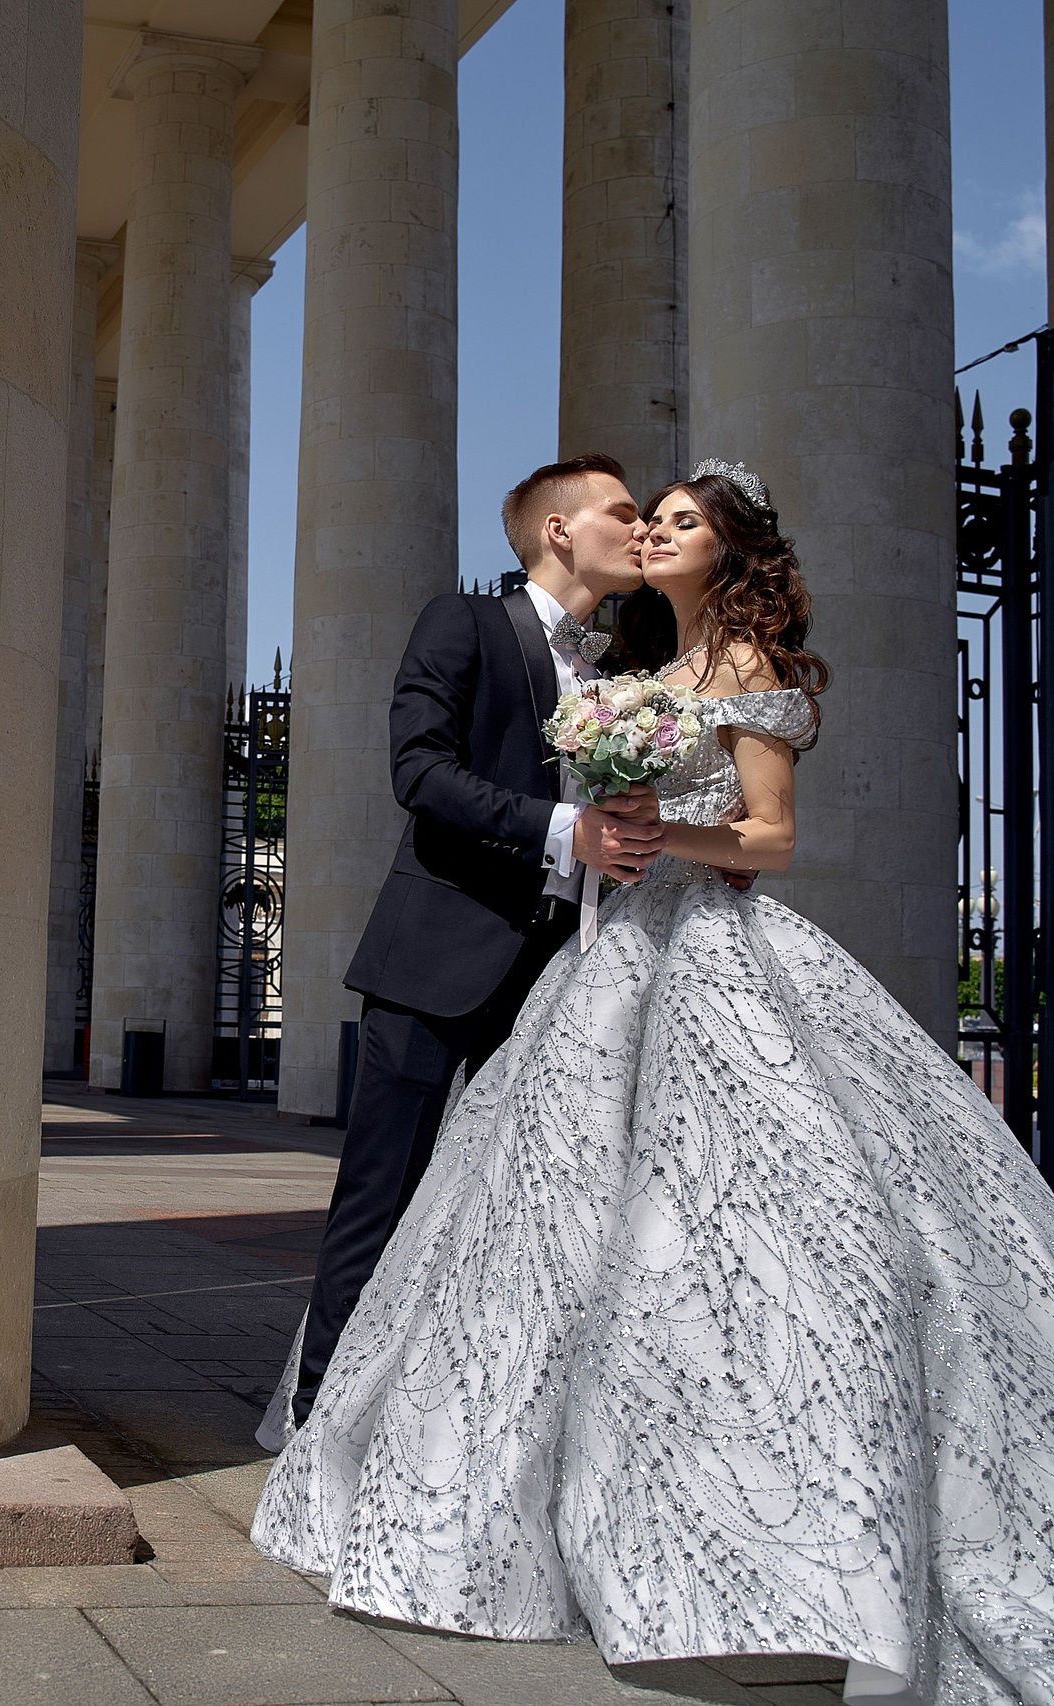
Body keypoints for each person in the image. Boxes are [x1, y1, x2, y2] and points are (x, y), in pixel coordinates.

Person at [252, 463, 1054, 1701]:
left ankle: (776, 1501)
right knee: (523, 1220)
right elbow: (474, 777)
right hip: (592, 963)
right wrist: (607, 816)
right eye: (643, 516)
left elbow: (769, 839)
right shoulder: (619, 672)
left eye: (675, 520)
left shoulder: (746, 675)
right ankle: (421, 1445)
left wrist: (661, 836)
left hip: (709, 953)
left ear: (726, 550)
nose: (652, 530)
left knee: (756, 1221)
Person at [266, 453, 667, 1440]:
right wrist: (562, 830)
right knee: (382, 1195)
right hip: (434, 955)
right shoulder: (466, 623)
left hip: (555, 975)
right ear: (558, 530)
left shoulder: (619, 677)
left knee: (509, 1207)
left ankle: (457, 1423)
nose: (641, 527)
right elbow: (421, 772)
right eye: (622, 511)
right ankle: (323, 1429)